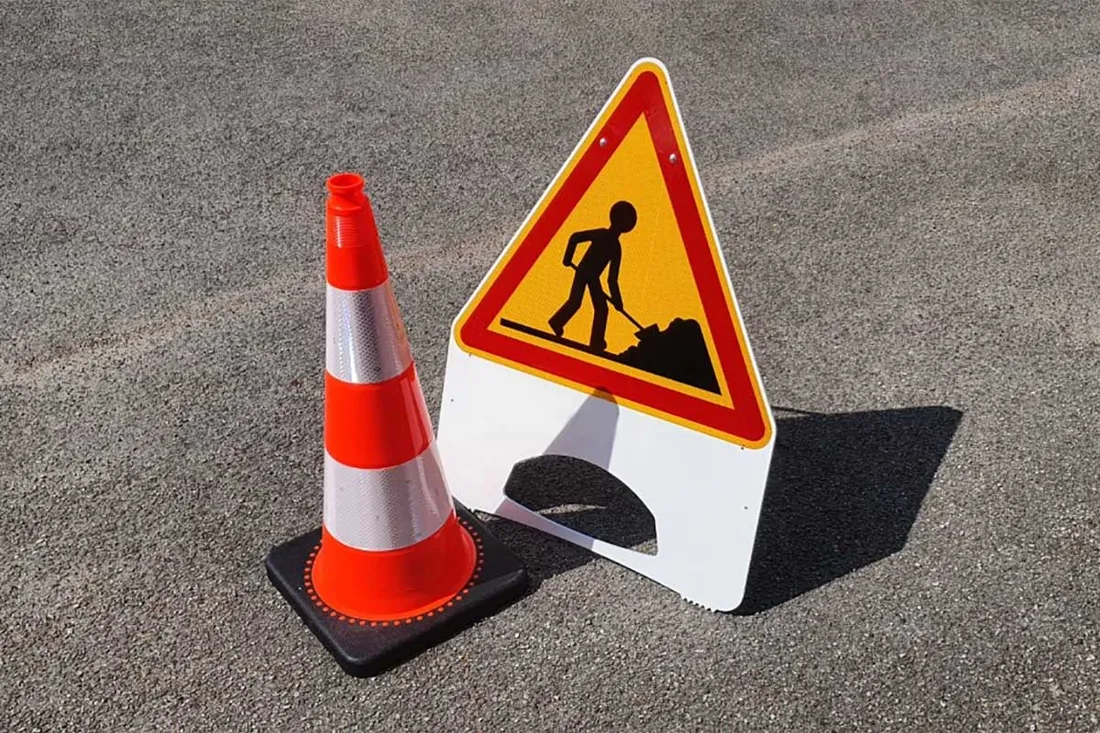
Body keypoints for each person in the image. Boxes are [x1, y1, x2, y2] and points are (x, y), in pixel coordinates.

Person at [548, 201, 637, 351]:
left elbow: (612, 278)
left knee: (601, 308)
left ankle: (596, 341)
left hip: (593, 277)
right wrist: (567, 257)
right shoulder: (603, 236)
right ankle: (557, 322)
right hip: (583, 272)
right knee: (576, 302)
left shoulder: (616, 247)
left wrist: (617, 300)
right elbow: (575, 237)